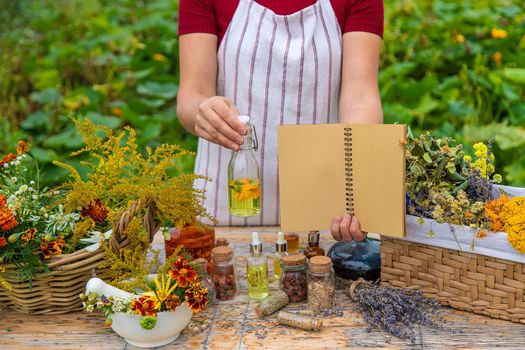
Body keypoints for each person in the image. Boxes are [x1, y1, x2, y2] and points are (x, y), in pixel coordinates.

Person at [177, 0, 384, 242]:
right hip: (224, 212)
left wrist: (359, 185)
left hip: (323, 217)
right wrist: (203, 112)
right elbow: (192, 93)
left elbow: (360, 98)